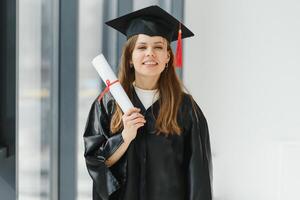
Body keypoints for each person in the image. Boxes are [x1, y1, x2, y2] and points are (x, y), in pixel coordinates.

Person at [84, 5, 212, 200]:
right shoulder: (108, 104)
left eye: (158, 47)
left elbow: (199, 175)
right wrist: (124, 138)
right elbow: (96, 162)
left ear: (168, 57)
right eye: (142, 47)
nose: (150, 53)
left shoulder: (185, 108)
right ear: (130, 58)